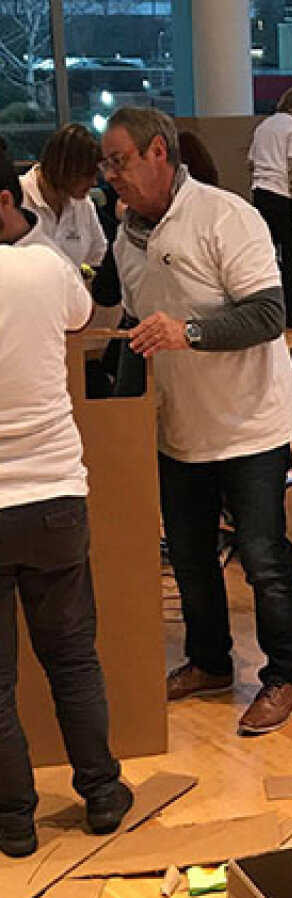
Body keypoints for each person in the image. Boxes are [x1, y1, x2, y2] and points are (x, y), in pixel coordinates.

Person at [100, 106, 292, 734]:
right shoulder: (125, 239)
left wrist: (188, 332)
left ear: (158, 152)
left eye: (120, 161)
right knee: (191, 557)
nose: (111, 175)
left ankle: (285, 676)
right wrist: (124, 418)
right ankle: (211, 662)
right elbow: (135, 329)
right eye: (106, 165)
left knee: (263, 559)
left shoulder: (226, 215)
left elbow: (268, 315)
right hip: (180, 427)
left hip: (250, 424)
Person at [0, 240, 132, 857]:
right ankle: (101, 793)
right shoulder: (44, 265)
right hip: (53, 495)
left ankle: (13, 822)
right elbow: (84, 318)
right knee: (72, 659)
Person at [249, 86, 292, 328]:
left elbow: (251, 163)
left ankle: (273, 311)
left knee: (270, 254)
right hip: (282, 194)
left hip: (260, 193)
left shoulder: (263, 126)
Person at [20, 124, 107, 270]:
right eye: (87, 175)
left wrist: (83, 276)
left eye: (95, 174)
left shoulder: (83, 204)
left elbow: (96, 254)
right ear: (62, 168)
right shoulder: (18, 198)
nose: (94, 183)